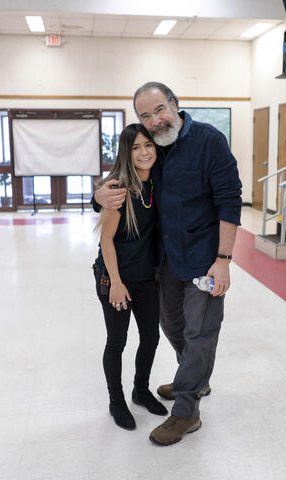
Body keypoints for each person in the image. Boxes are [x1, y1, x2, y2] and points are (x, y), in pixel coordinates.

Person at [94, 82, 242, 445]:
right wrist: (96, 196)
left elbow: (229, 201)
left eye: (159, 109)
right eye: (145, 116)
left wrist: (223, 260)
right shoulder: (154, 148)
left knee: (199, 332)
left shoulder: (209, 141)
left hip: (204, 261)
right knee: (172, 325)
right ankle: (195, 375)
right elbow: (125, 180)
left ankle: (187, 410)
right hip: (164, 262)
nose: (155, 120)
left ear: (175, 105)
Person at [92, 123, 168, 430]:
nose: (144, 152)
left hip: (146, 276)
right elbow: (105, 241)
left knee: (151, 336)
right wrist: (116, 284)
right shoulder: (118, 190)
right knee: (117, 341)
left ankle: (140, 390)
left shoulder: (157, 183)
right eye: (136, 147)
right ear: (127, 152)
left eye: (148, 145)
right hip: (115, 277)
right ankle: (116, 402)